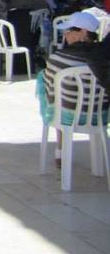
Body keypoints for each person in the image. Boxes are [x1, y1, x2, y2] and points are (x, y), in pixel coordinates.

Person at [37, 11, 109, 167]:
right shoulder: (104, 56)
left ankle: (60, 150)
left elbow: (52, 93)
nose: (66, 35)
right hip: (100, 115)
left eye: (69, 31)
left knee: (46, 86)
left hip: (69, 117)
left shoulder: (59, 58)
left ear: (83, 32)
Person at [3, 0, 35, 71]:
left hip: (14, 13)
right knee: (24, 40)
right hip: (25, 13)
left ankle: (15, 67)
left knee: (14, 40)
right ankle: (26, 67)